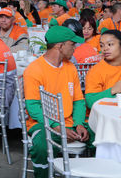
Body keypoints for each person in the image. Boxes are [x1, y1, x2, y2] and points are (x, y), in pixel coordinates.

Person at [23, 26, 89, 178]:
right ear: (60, 46)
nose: (75, 48)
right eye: (72, 44)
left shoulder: (70, 67)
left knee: (98, 134)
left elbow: (79, 100)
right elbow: (33, 107)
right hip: (44, 124)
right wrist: (58, 127)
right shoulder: (34, 70)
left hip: (70, 122)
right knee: (41, 145)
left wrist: (79, 123)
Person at [85, 29, 121, 108]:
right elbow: (90, 102)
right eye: (101, 45)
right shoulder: (96, 71)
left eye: (110, 44)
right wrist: (113, 90)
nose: (105, 49)